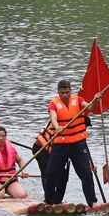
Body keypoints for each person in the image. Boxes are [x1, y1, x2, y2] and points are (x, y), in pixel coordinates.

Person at [42, 79, 98, 207]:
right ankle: (49, 201)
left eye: (67, 92)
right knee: (51, 173)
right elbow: (53, 117)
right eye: (62, 93)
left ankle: (92, 202)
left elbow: (91, 108)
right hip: (60, 144)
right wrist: (57, 127)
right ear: (58, 92)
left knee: (86, 173)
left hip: (78, 144)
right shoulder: (53, 104)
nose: (65, 95)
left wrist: (95, 100)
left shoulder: (78, 100)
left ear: (70, 91)